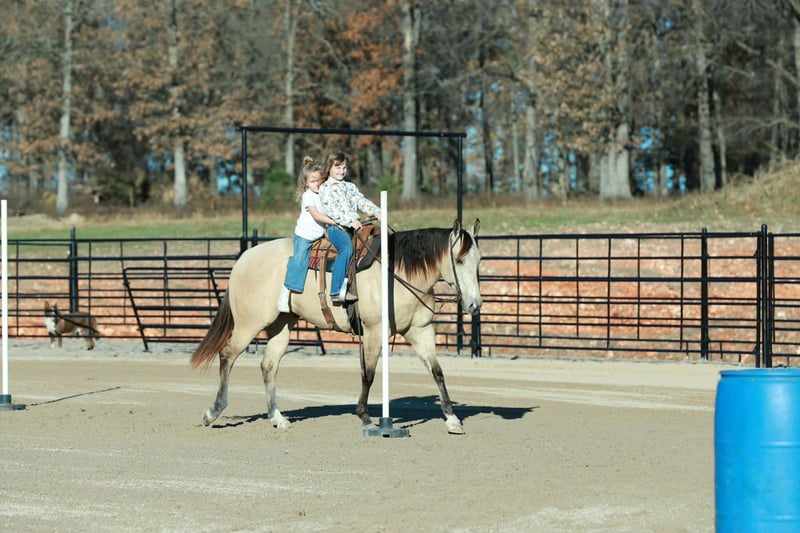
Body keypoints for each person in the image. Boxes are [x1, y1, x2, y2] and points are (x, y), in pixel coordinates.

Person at [319, 149, 381, 304]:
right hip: (336, 228)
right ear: (329, 167)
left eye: (344, 167)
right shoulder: (325, 188)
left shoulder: (350, 187)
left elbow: (362, 202)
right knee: (346, 249)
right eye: (337, 167)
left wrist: (378, 211)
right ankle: (336, 290)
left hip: (353, 228)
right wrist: (349, 221)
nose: (342, 171)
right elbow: (332, 210)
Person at [278, 156, 337, 313]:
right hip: (305, 235)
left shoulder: (325, 194)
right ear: (306, 183)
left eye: (319, 180)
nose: (316, 184)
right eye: (313, 181)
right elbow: (317, 215)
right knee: (299, 260)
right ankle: (285, 292)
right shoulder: (308, 196)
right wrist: (334, 221)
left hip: (321, 234)